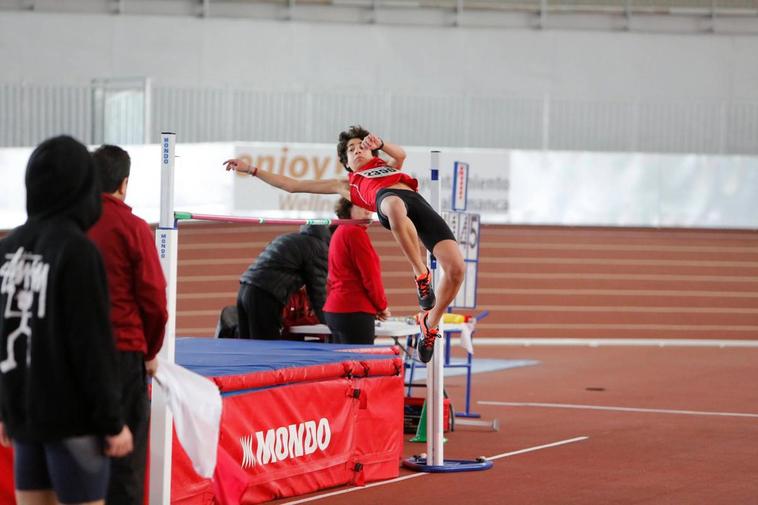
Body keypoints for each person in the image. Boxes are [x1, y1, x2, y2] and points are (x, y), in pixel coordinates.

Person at [223, 126, 464, 362]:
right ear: (347, 162)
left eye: (362, 147)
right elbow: (292, 185)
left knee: (456, 270)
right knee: (394, 205)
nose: (358, 150)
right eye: (351, 149)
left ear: (372, 153)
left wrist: (381, 144)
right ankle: (421, 274)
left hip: (417, 204)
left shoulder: (385, 166)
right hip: (387, 203)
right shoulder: (347, 184)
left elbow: (400, 155)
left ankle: (429, 323)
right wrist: (252, 169)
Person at [0, 135, 133, 505]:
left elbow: (4, 333)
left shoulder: (7, 250)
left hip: (25, 418)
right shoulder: (77, 250)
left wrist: (5, 409)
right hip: (73, 421)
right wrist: (111, 421)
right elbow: (91, 346)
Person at [88, 145, 168, 505]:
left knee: (76, 459)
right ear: (124, 184)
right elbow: (154, 300)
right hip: (122, 355)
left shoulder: (69, 225)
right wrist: (149, 351)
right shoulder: (133, 228)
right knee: (124, 466)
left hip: (70, 359)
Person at [237, 225, 329, 339]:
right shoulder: (319, 248)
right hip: (265, 294)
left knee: (247, 345)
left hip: (245, 288)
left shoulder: (289, 238)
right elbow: (317, 291)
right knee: (267, 346)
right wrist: (328, 323)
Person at [323, 198, 390, 345]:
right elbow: (370, 276)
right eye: (362, 206)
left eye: (370, 207)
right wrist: (382, 306)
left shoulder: (340, 232)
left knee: (342, 366)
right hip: (354, 309)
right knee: (360, 365)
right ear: (348, 209)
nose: (368, 211)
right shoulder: (355, 233)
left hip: (336, 309)